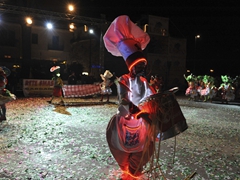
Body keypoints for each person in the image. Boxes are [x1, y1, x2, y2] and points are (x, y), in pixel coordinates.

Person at [104, 15, 155, 179]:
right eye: (138, 65)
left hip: (142, 124)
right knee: (123, 153)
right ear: (131, 66)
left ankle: (134, 173)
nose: (141, 68)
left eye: (143, 65)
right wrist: (140, 112)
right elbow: (124, 101)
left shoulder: (145, 81)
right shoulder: (123, 80)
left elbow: (151, 97)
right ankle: (128, 173)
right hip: (126, 123)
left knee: (145, 149)